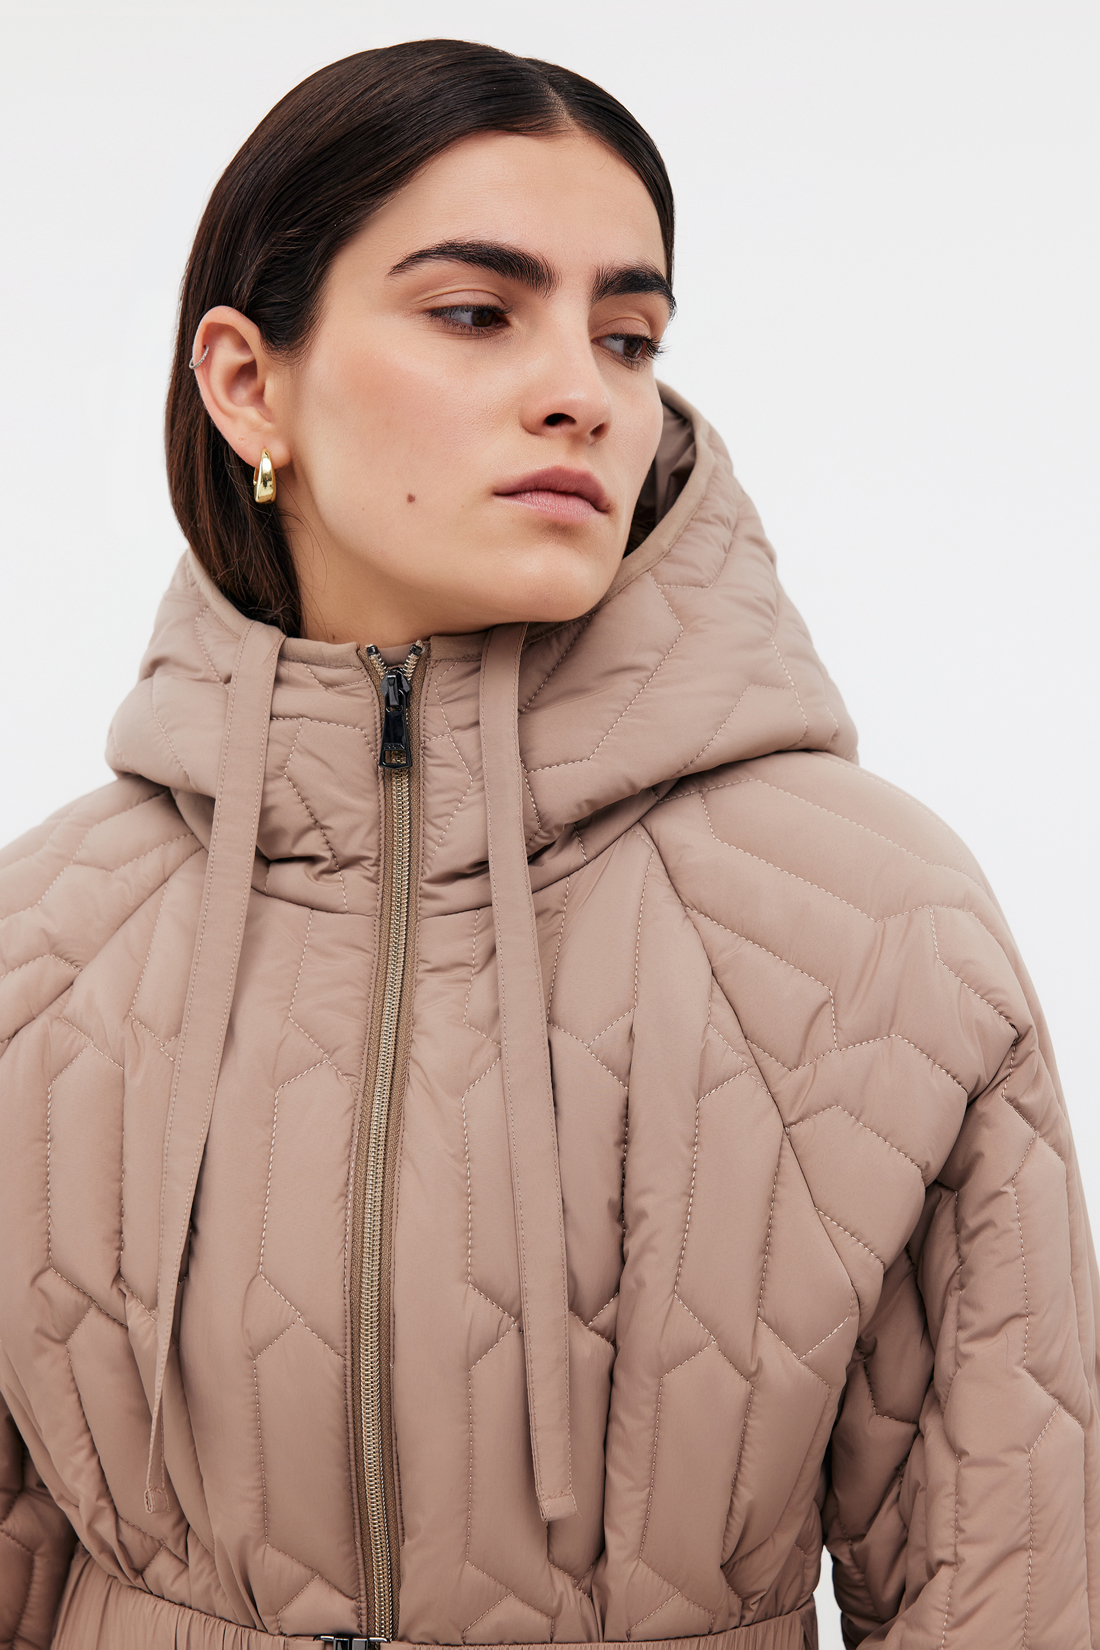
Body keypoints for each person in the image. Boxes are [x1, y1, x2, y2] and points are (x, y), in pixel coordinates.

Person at [0, 37, 1095, 1650]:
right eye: (475, 312)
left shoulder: (873, 923)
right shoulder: (44, 943)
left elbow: (1003, 1585)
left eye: (627, 334)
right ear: (246, 383)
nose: (584, 388)